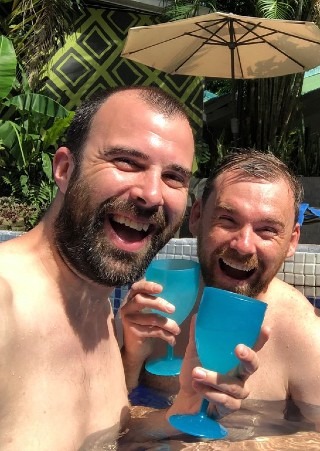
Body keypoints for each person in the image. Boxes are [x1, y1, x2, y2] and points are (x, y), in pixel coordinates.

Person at [0, 86, 254, 450]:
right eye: (127, 162)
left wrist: (181, 408)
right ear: (65, 169)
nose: (152, 194)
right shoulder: (5, 305)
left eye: (173, 178)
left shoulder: (98, 310)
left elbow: (102, 438)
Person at [121, 150, 320, 425]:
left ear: (292, 241)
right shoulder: (156, 305)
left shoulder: (312, 341)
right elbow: (97, 425)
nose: (243, 245)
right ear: (196, 216)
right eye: (227, 220)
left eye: (267, 230)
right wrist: (130, 362)